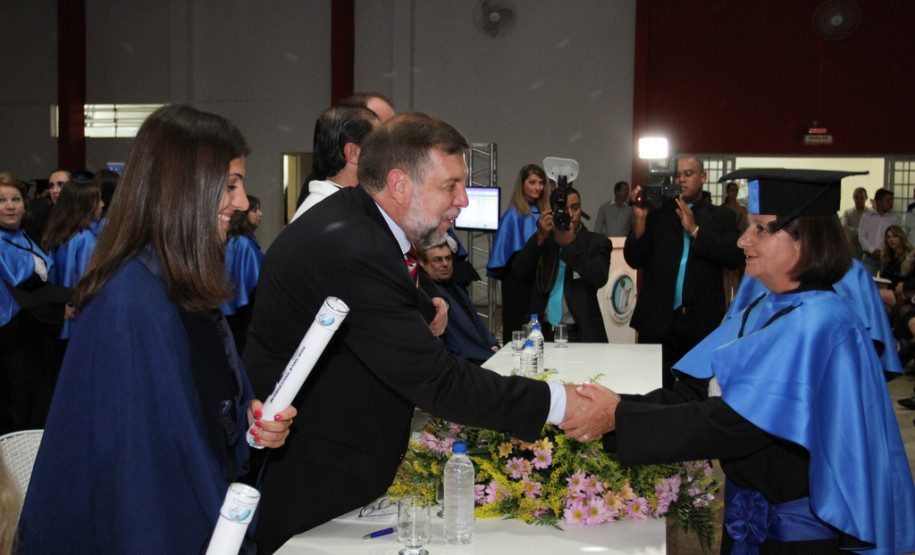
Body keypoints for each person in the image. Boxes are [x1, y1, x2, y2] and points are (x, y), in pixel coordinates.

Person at [243, 112, 590, 553]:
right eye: (451, 186)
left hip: (342, 461)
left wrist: (425, 308)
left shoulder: (361, 222)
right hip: (314, 482)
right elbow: (438, 381)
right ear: (399, 185)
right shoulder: (355, 247)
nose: (464, 200)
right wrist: (562, 403)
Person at [566, 168, 915, 554]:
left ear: (805, 240)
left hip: (797, 536)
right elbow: (699, 391)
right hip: (749, 517)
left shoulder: (822, 323)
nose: (743, 239)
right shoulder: (766, 305)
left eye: (760, 228)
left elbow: (731, 423)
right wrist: (613, 405)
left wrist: (619, 417)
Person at [18, 104, 296, 554]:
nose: (243, 202)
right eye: (230, 185)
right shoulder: (128, 304)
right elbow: (136, 484)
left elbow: (203, 410)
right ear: (183, 189)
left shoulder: (183, 287)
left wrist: (247, 424)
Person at [624, 156, 744, 389]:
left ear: (703, 177)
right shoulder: (658, 214)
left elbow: (734, 257)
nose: (681, 179)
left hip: (701, 322)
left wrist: (695, 230)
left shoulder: (722, 217)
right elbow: (635, 259)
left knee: (697, 392)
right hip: (658, 319)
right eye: (677, 175)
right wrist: (639, 220)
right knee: (650, 390)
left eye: (688, 174)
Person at [0, 172, 73, 435]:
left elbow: (38, 286)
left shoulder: (22, 235)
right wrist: (60, 311)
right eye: (1, 200)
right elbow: (16, 297)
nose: (10, 206)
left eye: (16, 199)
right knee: (21, 420)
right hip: (12, 345)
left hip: (35, 343)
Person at [511, 185, 612, 342]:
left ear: (581, 209)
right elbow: (519, 271)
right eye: (563, 209)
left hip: (580, 334)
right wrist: (539, 236)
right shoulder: (544, 240)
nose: (570, 214)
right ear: (552, 212)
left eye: (575, 208)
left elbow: (599, 277)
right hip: (541, 334)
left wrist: (570, 245)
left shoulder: (596, 242)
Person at [295, 92, 395, 209]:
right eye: (379, 141)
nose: (388, 150)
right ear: (353, 152)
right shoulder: (326, 209)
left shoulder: (350, 201)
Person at [486, 164, 550, 342]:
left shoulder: (545, 214)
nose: (537, 187)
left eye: (541, 183)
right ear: (522, 184)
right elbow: (507, 258)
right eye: (532, 182)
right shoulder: (512, 215)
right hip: (516, 284)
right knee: (516, 331)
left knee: (537, 331)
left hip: (539, 282)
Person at [290, 104, 380, 221]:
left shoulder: (341, 205)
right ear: (353, 152)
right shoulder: (328, 213)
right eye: (379, 145)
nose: (385, 154)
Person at [42, 178, 104, 342]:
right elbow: (87, 284)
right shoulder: (86, 239)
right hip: (79, 320)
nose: (102, 204)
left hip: (60, 317)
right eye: (98, 200)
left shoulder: (58, 235)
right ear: (85, 205)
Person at [418, 238, 498, 364]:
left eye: (448, 258)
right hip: (462, 362)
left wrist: (493, 346)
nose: (445, 264)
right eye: (438, 260)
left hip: (483, 356)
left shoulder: (456, 288)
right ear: (423, 264)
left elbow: (478, 324)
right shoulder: (429, 297)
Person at [221, 194, 264, 355]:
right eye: (255, 210)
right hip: (240, 310)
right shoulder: (243, 243)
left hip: (233, 307)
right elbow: (250, 282)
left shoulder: (241, 240)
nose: (260, 214)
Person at [859, 188, 900, 276]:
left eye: (892, 200)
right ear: (879, 202)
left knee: (886, 281)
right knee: (867, 281)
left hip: (888, 258)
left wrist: (885, 252)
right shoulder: (867, 217)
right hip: (869, 257)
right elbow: (861, 236)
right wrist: (872, 250)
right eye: (888, 200)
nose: (891, 203)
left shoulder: (895, 218)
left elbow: (897, 238)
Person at [22, 168, 70, 241]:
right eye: (51, 186)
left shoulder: (85, 216)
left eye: (61, 185)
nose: (55, 191)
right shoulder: (38, 221)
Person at [877, 225, 915, 312]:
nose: (891, 239)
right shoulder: (888, 256)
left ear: (901, 238)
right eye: (889, 237)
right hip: (891, 288)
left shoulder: (909, 255)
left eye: (894, 236)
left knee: (878, 294)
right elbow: (885, 276)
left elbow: (904, 273)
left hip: (903, 290)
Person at [842, 186, 867, 259]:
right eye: (857, 197)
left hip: (867, 246)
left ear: (866, 198)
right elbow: (844, 227)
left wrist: (859, 239)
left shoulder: (870, 213)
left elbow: (872, 230)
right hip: (852, 244)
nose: (859, 200)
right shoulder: (847, 213)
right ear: (853, 198)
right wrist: (861, 233)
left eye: (861, 197)